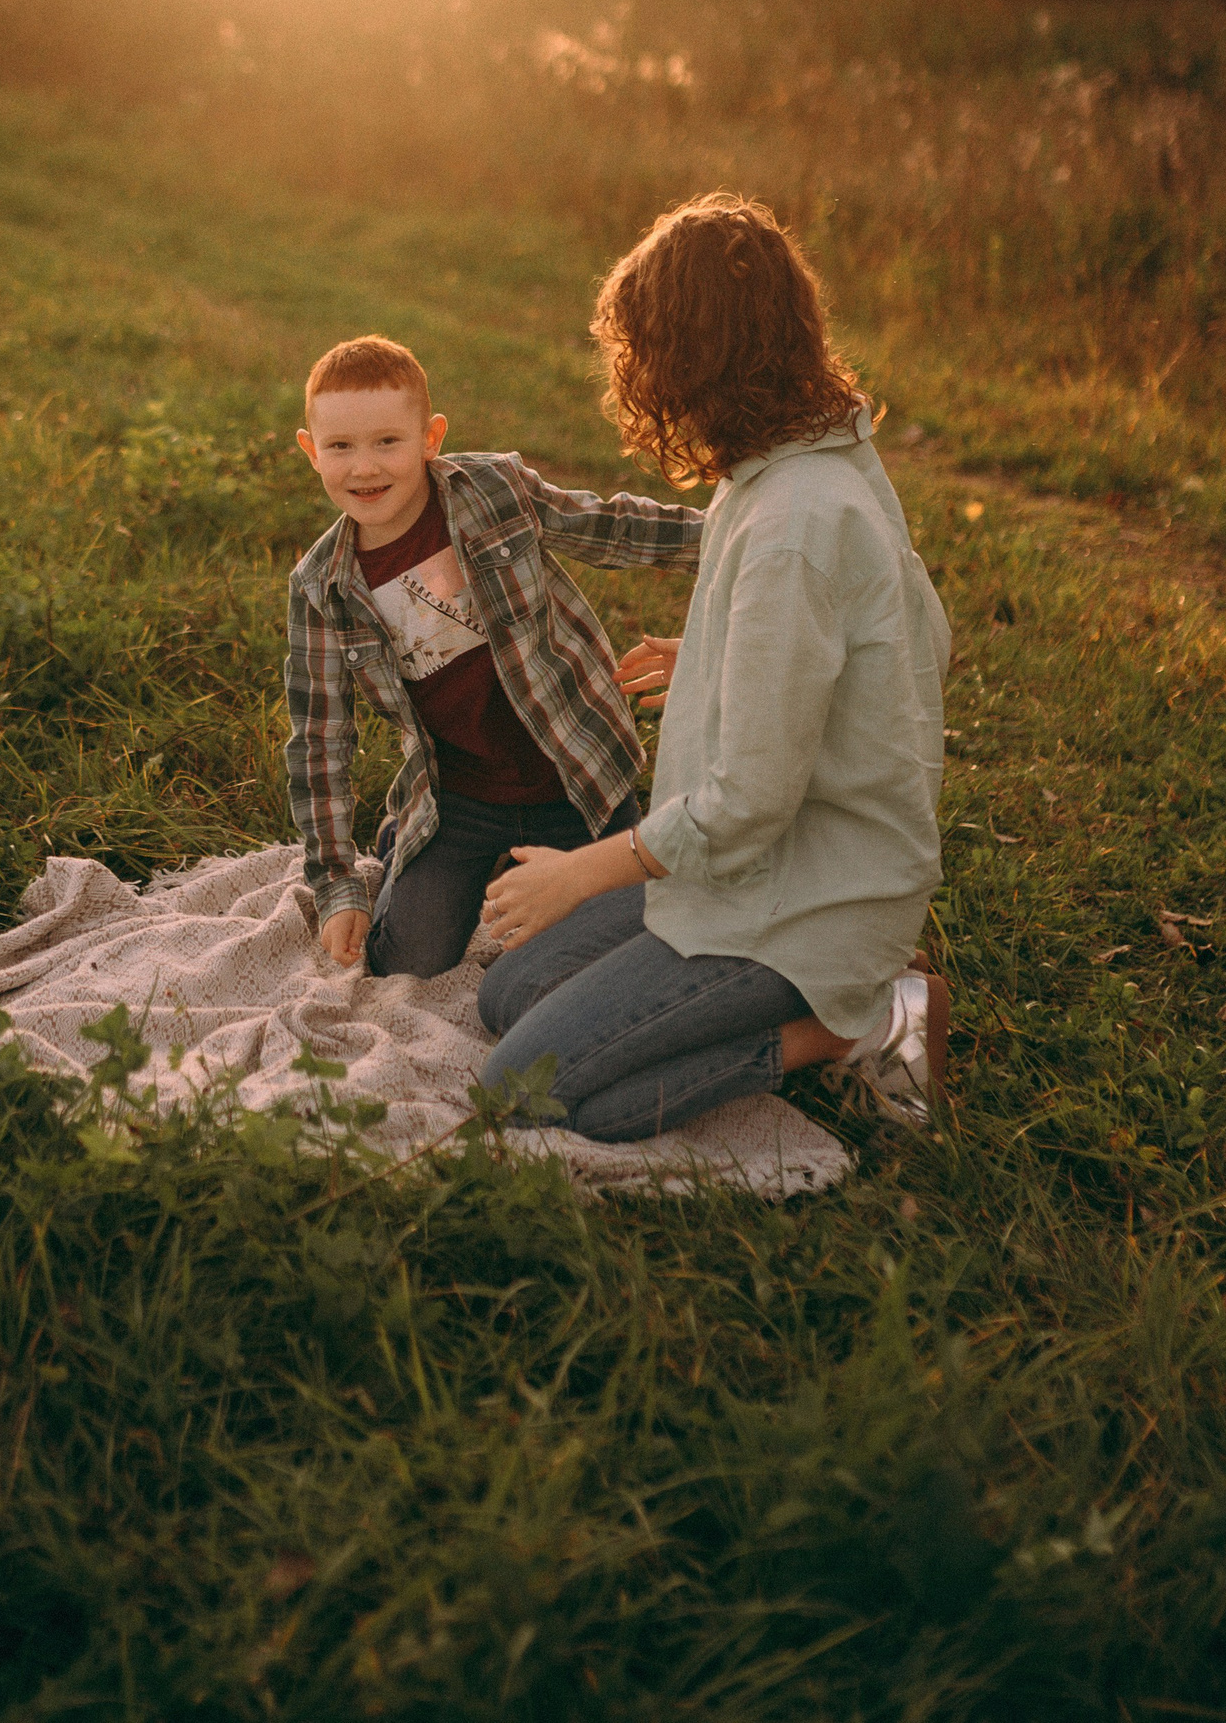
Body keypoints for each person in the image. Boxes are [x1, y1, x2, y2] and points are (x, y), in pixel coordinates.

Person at [478, 194, 951, 1135]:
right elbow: (908, 631)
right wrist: (726, 654)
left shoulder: (793, 521)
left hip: (806, 898)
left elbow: (748, 805)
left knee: (521, 1086)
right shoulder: (807, 457)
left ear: (689, 358)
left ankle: (857, 1022)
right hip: (755, 872)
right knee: (510, 992)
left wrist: (581, 873)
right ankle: (847, 992)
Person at [286, 334, 703, 979]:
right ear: (311, 451)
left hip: (577, 776)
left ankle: (523, 865)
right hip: (460, 799)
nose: (364, 468)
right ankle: (410, 844)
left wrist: (735, 534)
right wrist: (338, 885)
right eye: (340, 446)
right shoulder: (324, 586)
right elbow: (320, 739)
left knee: (609, 947)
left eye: (387, 441)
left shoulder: (492, 492)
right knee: (408, 963)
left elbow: (611, 527)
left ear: (430, 438)